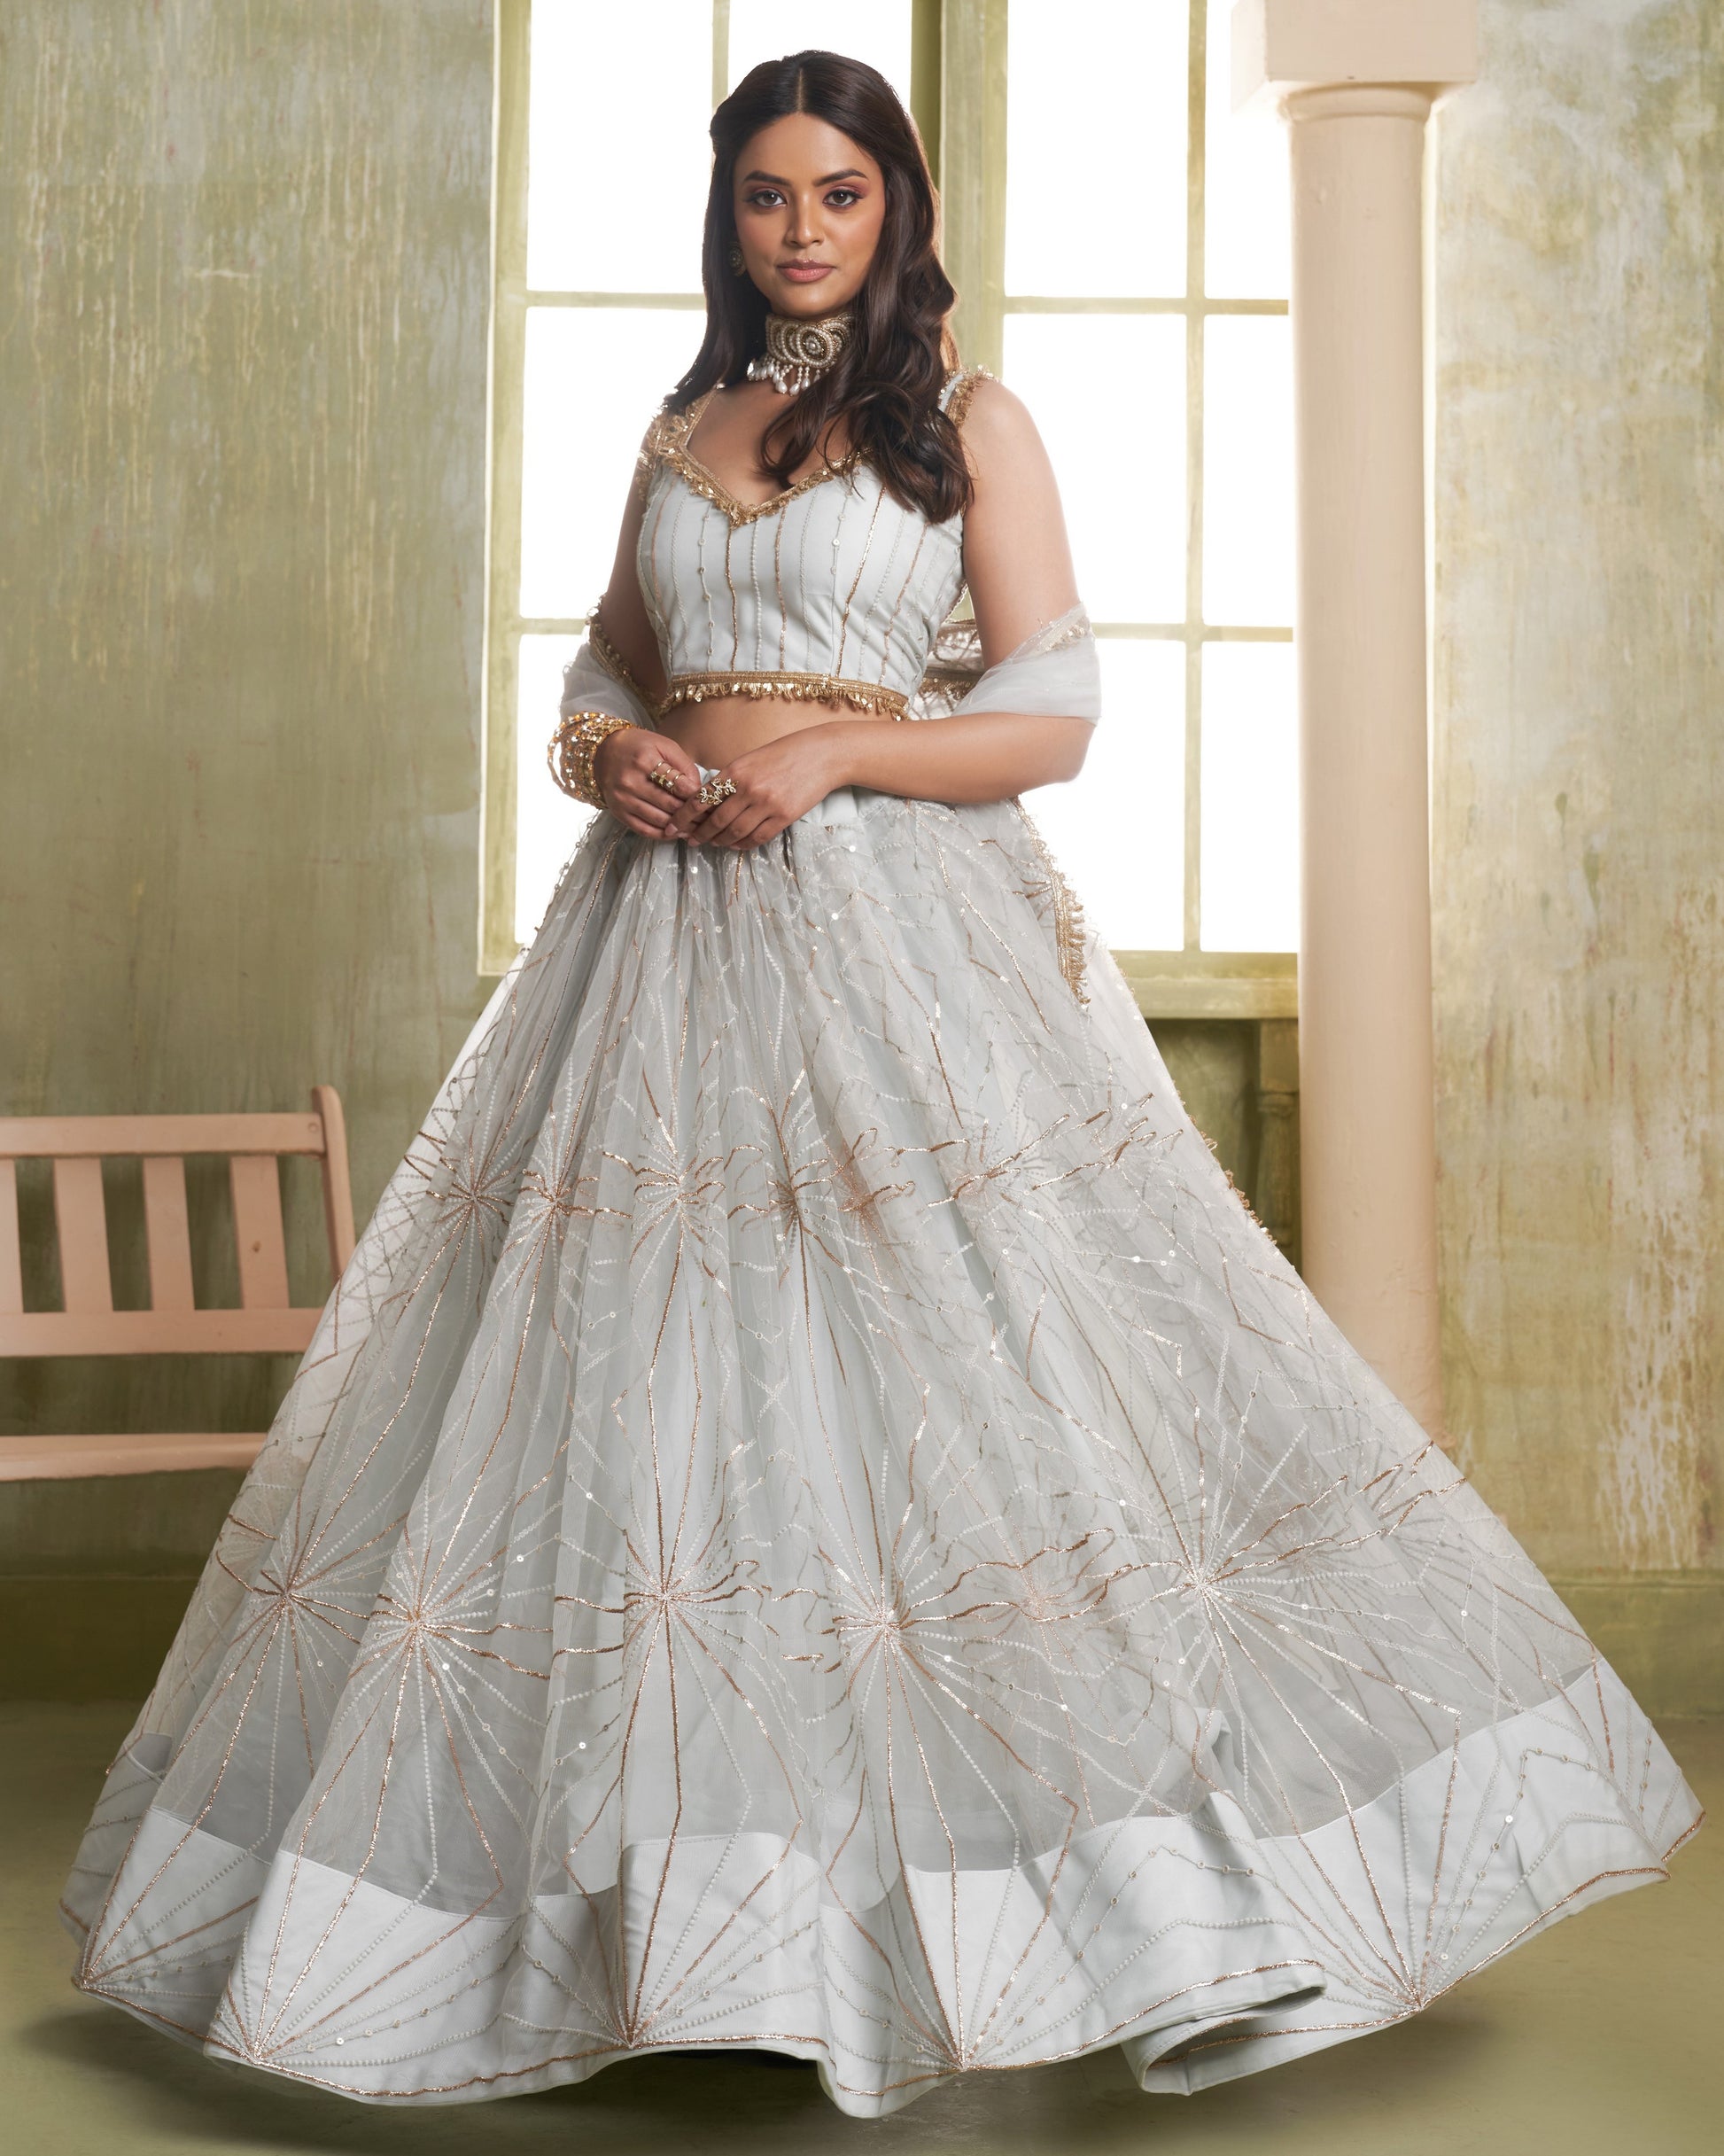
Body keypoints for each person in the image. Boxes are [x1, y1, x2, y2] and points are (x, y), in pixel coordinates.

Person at [63, 50, 1698, 2121]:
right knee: (648, 1410)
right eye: (765, 194)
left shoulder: (968, 422)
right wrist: (610, 755)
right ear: (727, 214)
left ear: (895, 203)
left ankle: (1125, 1911)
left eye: (838, 191)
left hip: (889, 946)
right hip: (652, 943)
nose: (801, 227)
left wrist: (832, 753)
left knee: (955, 1404)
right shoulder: (681, 425)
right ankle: (685, 1928)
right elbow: (601, 660)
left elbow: (1056, 705)